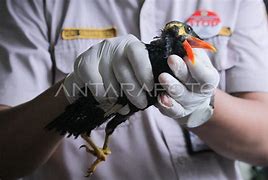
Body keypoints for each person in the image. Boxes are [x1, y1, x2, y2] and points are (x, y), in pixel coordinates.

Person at [0, 0, 268, 180]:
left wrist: (203, 106)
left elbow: (264, 143)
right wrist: (68, 92)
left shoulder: (239, 2)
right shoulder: (30, 5)